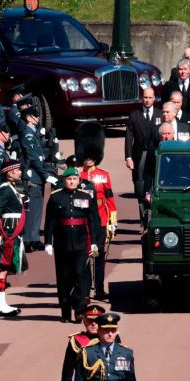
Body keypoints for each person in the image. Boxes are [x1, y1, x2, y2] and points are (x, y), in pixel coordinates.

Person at [44, 168, 102, 322]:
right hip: (62, 242)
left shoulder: (86, 197)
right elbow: (50, 221)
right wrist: (48, 242)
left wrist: (95, 242)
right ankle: (65, 310)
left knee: (80, 275)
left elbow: (92, 220)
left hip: (81, 241)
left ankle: (79, 308)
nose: (71, 181)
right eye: (69, 179)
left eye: (74, 179)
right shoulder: (56, 198)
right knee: (63, 277)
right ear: (64, 181)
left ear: (79, 181)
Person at [76, 123, 116, 301]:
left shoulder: (104, 175)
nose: (89, 159)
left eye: (92, 156)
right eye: (86, 156)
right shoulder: (76, 175)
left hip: (100, 219)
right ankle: (85, 289)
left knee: (99, 256)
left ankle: (99, 289)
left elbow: (109, 199)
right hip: (83, 220)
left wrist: (112, 221)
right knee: (85, 256)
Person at [0, 159, 26, 316]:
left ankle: (2, 303)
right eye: (17, 170)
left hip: (12, 232)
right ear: (9, 174)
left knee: (5, 268)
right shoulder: (5, 190)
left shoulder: (12, 188)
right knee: (2, 268)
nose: (20, 172)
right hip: (7, 234)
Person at [20, 104, 58, 250]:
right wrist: (46, 175)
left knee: (37, 208)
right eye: (35, 116)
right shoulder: (28, 134)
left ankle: (33, 237)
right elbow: (33, 157)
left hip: (38, 174)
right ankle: (29, 239)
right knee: (33, 208)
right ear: (28, 117)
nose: (37, 118)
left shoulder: (33, 132)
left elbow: (40, 153)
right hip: (33, 175)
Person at [125, 87, 161, 223]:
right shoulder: (134, 115)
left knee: (154, 184)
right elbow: (129, 137)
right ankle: (143, 219)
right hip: (139, 156)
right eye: (145, 97)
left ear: (154, 98)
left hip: (155, 155)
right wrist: (128, 157)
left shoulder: (160, 114)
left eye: (150, 97)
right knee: (140, 187)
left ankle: (155, 216)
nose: (147, 100)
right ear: (142, 98)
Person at [61, 304, 106, 381]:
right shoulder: (76, 341)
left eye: (97, 321)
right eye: (90, 320)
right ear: (84, 321)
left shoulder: (110, 339)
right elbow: (67, 371)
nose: (93, 324)